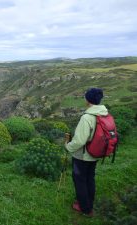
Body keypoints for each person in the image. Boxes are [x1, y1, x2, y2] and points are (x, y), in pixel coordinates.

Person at [65, 88, 107, 216]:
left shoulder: (87, 117)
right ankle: (88, 202)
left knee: (80, 180)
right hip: (95, 154)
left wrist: (68, 146)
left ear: (88, 100)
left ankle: (85, 208)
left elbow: (79, 141)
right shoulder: (103, 113)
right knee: (90, 178)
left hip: (82, 156)